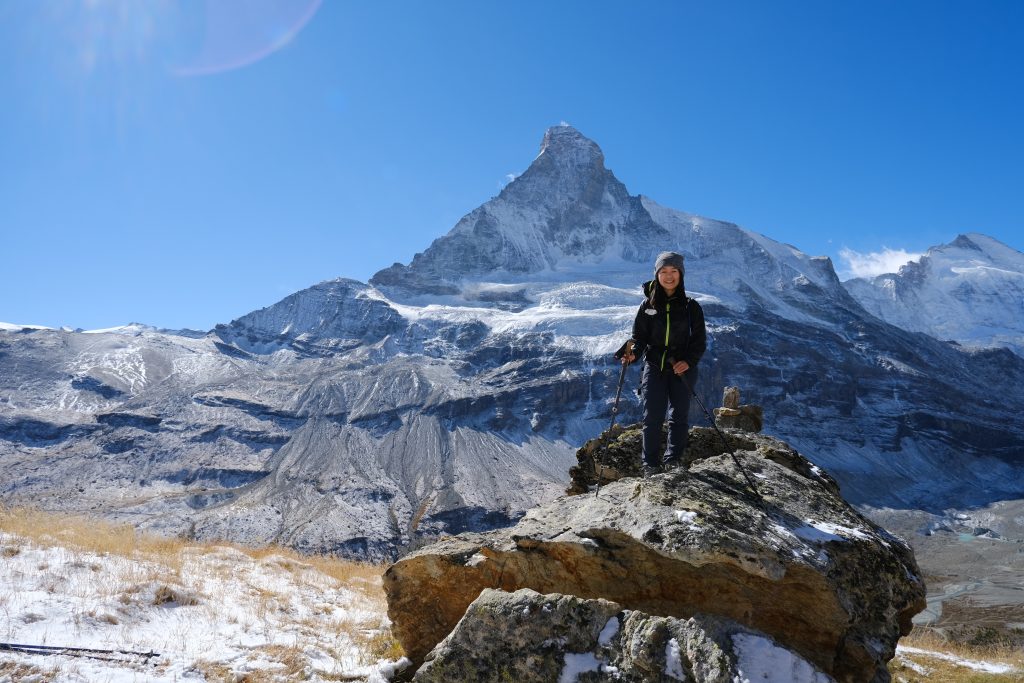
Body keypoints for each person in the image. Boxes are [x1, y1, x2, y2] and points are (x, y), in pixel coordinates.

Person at [616, 251, 707, 476]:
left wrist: (688, 361)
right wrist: (633, 354)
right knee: (652, 417)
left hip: (682, 368)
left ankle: (673, 461)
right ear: (656, 274)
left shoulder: (690, 306)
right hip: (655, 367)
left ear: (681, 274)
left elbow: (699, 340)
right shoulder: (647, 305)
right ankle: (650, 465)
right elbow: (639, 338)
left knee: (679, 415)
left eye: (673, 271)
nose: (669, 276)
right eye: (663, 271)